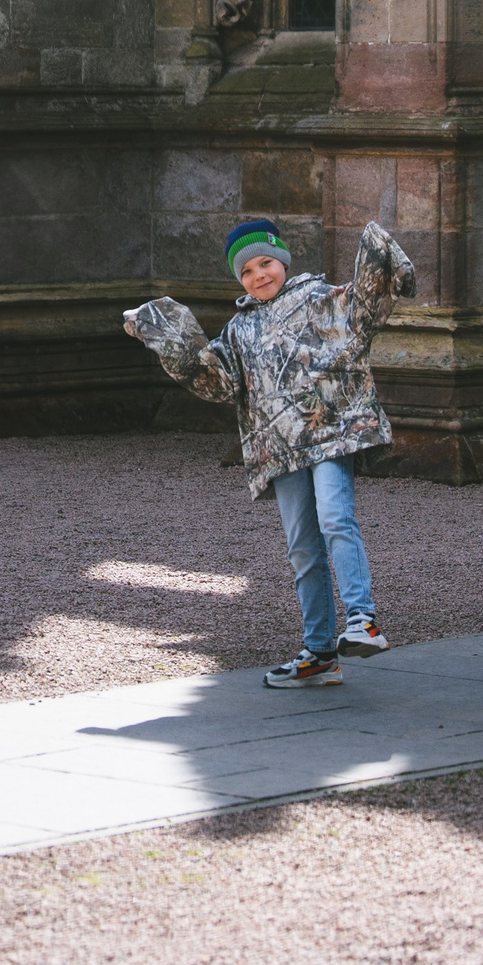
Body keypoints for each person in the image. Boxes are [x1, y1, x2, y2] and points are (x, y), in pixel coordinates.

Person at [124, 214, 416, 689]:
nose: (258, 275)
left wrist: (380, 253)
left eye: (265, 263)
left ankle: (363, 619)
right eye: (246, 271)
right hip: (280, 450)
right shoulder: (238, 331)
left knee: (336, 517)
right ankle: (319, 652)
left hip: (330, 435)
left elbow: (362, 312)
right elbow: (217, 381)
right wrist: (166, 335)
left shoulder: (319, 298)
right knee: (302, 548)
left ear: (282, 259)